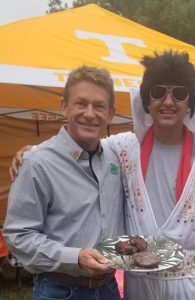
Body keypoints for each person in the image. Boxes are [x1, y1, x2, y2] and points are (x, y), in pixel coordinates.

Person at [8, 51, 195, 300]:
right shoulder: (124, 148)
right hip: (139, 287)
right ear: (146, 100)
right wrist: (33, 152)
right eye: (157, 92)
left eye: (179, 93)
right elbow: (79, 143)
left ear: (190, 101)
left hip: (192, 288)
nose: (168, 101)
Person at [3, 66, 125, 300]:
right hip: (60, 290)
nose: (89, 114)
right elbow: (18, 235)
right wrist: (75, 256)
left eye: (99, 106)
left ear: (111, 113)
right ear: (64, 107)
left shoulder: (116, 159)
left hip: (109, 288)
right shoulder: (37, 163)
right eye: (81, 104)